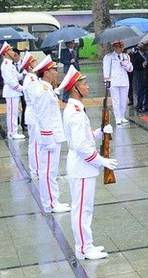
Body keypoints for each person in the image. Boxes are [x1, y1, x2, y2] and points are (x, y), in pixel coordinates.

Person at [59, 66, 116, 260]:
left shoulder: (76, 109)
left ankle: (86, 243)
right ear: (75, 88)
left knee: (85, 208)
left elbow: (84, 137)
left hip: (83, 168)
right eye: (84, 84)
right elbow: (81, 146)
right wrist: (102, 161)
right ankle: (83, 247)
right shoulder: (74, 112)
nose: (88, 87)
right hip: (82, 168)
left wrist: (100, 132)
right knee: (82, 209)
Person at [31, 57, 69, 214]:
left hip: (53, 136)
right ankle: (50, 204)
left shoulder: (47, 89)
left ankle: (54, 200)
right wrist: (48, 140)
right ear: (46, 73)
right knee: (47, 172)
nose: (56, 72)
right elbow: (43, 117)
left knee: (51, 171)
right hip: (49, 138)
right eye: (53, 70)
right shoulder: (44, 91)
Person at [19, 53, 41, 180]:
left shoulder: (34, 78)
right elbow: (35, 99)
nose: (37, 63)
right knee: (35, 144)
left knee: (36, 143)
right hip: (33, 114)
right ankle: (35, 170)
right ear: (30, 66)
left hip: (35, 113)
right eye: (35, 62)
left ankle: (37, 169)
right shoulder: (31, 79)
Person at [103, 41, 133, 125]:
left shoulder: (126, 56)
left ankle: (122, 116)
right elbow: (106, 69)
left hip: (124, 81)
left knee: (123, 100)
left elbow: (130, 69)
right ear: (114, 47)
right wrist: (107, 81)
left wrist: (125, 64)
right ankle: (117, 117)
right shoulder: (108, 57)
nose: (119, 49)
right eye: (117, 47)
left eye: (121, 47)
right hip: (114, 81)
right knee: (116, 100)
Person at [0, 42, 25, 140]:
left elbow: (17, 76)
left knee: (14, 113)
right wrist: (23, 89)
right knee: (12, 113)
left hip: (14, 92)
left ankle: (13, 131)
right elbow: (11, 82)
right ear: (5, 53)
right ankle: (12, 132)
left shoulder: (10, 64)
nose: (13, 52)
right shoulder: (6, 64)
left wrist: (25, 72)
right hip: (11, 92)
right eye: (10, 50)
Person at [131, 45, 148, 113]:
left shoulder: (147, 55)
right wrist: (141, 66)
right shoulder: (136, 55)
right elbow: (134, 66)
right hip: (140, 76)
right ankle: (139, 106)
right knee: (140, 92)